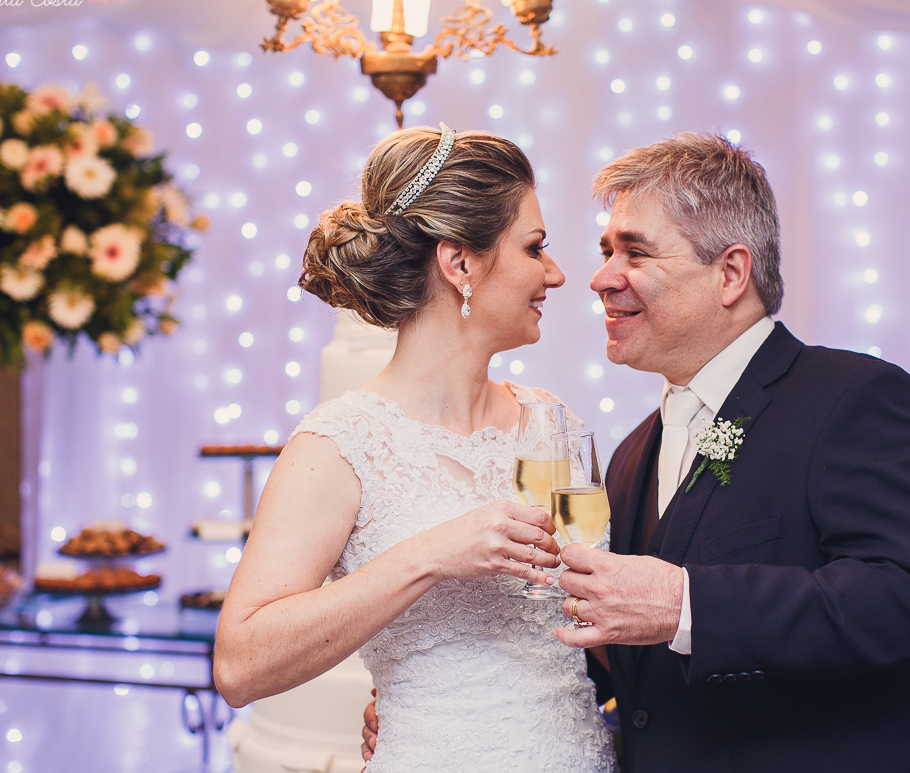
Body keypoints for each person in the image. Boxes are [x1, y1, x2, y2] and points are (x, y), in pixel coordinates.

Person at [548, 132, 910, 772]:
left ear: (731, 273)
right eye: (606, 251)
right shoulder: (631, 454)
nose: (601, 278)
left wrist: (687, 603)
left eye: (635, 252)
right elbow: (638, 673)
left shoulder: (854, 397)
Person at [214, 124, 616, 773]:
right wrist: (430, 555)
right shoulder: (338, 444)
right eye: (534, 247)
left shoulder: (554, 425)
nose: (556, 273)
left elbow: (597, 626)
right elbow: (239, 667)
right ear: (460, 264)